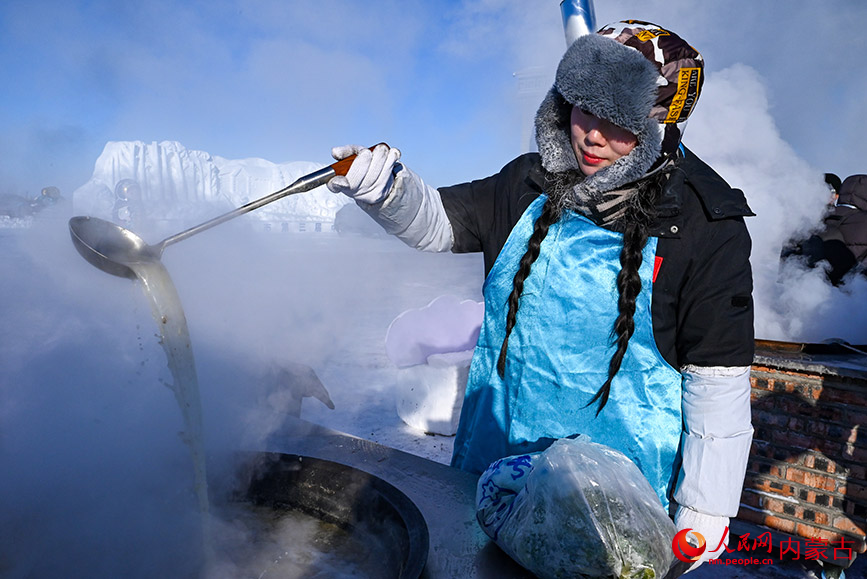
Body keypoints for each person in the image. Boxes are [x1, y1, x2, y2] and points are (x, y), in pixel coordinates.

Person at [328, 20, 755, 570]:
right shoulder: (527, 181)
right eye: (584, 109)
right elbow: (440, 224)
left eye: (619, 121)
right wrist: (388, 193)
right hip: (490, 469)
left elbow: (716, 373)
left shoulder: (703, 221)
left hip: (613, 500)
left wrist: (706, 505)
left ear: (658, 122)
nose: (593, 136)